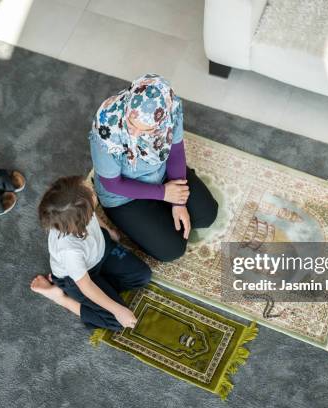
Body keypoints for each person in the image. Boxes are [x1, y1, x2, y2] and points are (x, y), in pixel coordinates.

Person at [89, 73, 218, 262]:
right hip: (123, 195)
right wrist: (164, 194)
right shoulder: (106, 125)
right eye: (131, 124)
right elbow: (112, 184)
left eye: (146, 130)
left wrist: (179, 202)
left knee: (207, 215)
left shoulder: (171, 107)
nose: (134, 133)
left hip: (160, 172)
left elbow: (175, 153)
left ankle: (159, 208)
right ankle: (149, 211)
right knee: (173, 249)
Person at [30, 175, 151, 330]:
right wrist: (118, 310)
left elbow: (92, 212)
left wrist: (108, 230)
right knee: (117, 321)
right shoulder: (69, 250)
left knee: (142, 275)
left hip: (100, 250)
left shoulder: (80, 201)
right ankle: (61, 297)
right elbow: (86, 285)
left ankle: (101, 289)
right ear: (80, 223)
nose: (92, 193)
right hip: (76, 278)